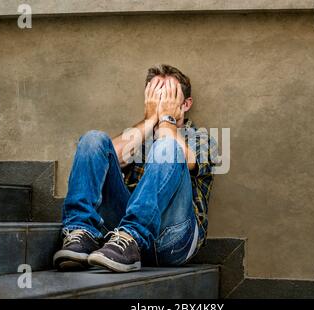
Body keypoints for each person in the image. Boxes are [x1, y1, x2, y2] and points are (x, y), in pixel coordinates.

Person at [53, 64, 216, 272]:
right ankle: (81, 233)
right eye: (156, 97)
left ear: (185, 104)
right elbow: (107, 155)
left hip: (173, 241)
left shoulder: (201, 139)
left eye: (169, 97)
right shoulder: (141, 137)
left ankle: (133, 235)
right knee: (93, 140)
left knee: (167, 147)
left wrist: (167, 120)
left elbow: (185, 157)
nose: (162, 103)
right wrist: (150, 120)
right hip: (117, 242)